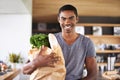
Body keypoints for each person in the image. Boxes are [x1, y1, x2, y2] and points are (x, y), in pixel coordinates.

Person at [23, 4, 97, 80]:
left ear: (77, 19)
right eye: (63, 18)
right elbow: (25, 70)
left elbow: (93, 75)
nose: (67, 22)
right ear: (59, 19)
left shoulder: (87, 43)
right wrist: (35, 63)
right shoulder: (49, 40)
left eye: (71, 18)